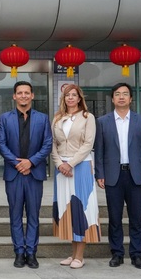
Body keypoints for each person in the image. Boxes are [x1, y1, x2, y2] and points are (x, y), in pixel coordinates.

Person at [95, 82, 141, 269]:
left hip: (136, 176)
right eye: (118, 94)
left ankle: (137, 255)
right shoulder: (102, 121)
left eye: (125, 94)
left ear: (131, 98)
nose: (121, 97)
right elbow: (99, 151)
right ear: (112, 99)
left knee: (136, 218)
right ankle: (117, 253)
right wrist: (100, 173)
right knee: (115, 217)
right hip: (113, 176)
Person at [0, 81, 52, 269]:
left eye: (27, 92)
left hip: (34, 174)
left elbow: (47, 144)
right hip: (14, 174)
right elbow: (1, 143)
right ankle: (19, 252)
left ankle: (32, 252)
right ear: (14, 96)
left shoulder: (43, 118)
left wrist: (31, 162)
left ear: (32, 95)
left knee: (34, 215)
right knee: (15, 215)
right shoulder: (5, 118)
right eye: (19, 93)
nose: (23, 96)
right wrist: (18, 163)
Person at [50, 84, 100, 269]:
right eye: (67, 95)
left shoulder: (88, 117)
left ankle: (80, 255)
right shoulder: (57, 118)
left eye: (74, 95)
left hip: (81, 166)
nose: (70, 98)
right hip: (61, 169)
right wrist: (59, 164)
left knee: (81, 208)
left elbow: (88, 144)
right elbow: (52, 143)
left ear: (79, 98)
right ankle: (72, 254)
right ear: (63, 98)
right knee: (67, 209)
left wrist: (70, 164)